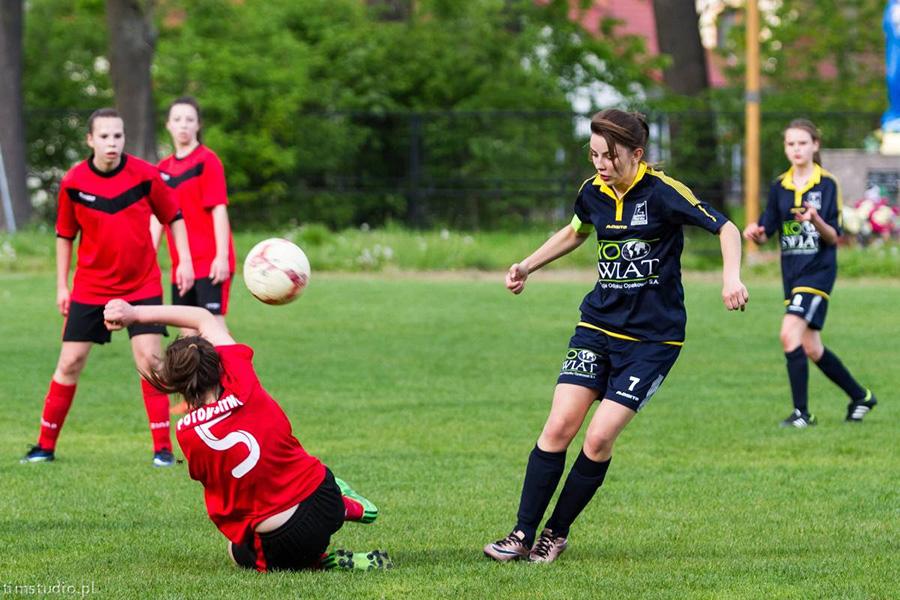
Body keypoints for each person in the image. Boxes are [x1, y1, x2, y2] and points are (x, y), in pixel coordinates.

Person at [483, 109, 748, 564]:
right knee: (559, 427)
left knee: (599, 438)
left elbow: (725, 227)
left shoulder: (664, 193)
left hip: (652, 341)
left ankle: (555, 533)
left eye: (610, 156)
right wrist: (527, 265)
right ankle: (521, 533)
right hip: (598, 326)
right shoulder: (593, 192)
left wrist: (731, 278)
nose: (601, 164)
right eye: (594, 155)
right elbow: (575, 231)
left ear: (636, 153)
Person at [101, 300, 392, 573]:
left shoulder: (187, 433)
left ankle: (319, 560)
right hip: (322, 495)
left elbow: (223, 498)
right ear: (217, 364)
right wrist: (135, 313)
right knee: (299, 474)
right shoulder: (242, 379)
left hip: (284, 542)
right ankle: (342, 506)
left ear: (179, 386)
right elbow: (203, 318)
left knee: (236, 551)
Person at [21, 108, 195, 467]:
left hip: (141, 283)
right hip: (90, 287)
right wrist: (61, 285)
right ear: (90, 140)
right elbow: (64, 236)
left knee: (150, 360)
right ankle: (44, 446)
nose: (112, 143)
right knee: (70, 361)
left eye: (117, 136)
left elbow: (173, 217)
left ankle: (163, 451)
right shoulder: (73, 182)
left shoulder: (146, 176)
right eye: (104, 136)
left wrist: (185, 262)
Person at [743, 119, 877, 427]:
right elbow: (768, 231)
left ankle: (802, 414)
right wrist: (756, 233)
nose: (796, 149)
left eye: (802, 143)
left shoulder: (826, 183)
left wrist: (815, 219)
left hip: (817, 273)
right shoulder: (780, 186)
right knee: (811, 347)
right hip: (792, 275)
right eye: (790, 144)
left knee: (788, 333)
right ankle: (861, 397)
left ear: (815, 145)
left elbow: (833, 236)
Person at [154, 97, 236, 416]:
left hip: (209, 260)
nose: (184, 125)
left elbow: (218, 209)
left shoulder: (207, 161)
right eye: (178, 119)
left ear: (198, 124)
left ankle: (231, 390)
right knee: (188, 331)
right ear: (168, 125)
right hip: (182, 265)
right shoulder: (162, 170)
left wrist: (220, 256)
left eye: (190, 119)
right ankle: (196, 397)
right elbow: (158, 220)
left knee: (213, 328)